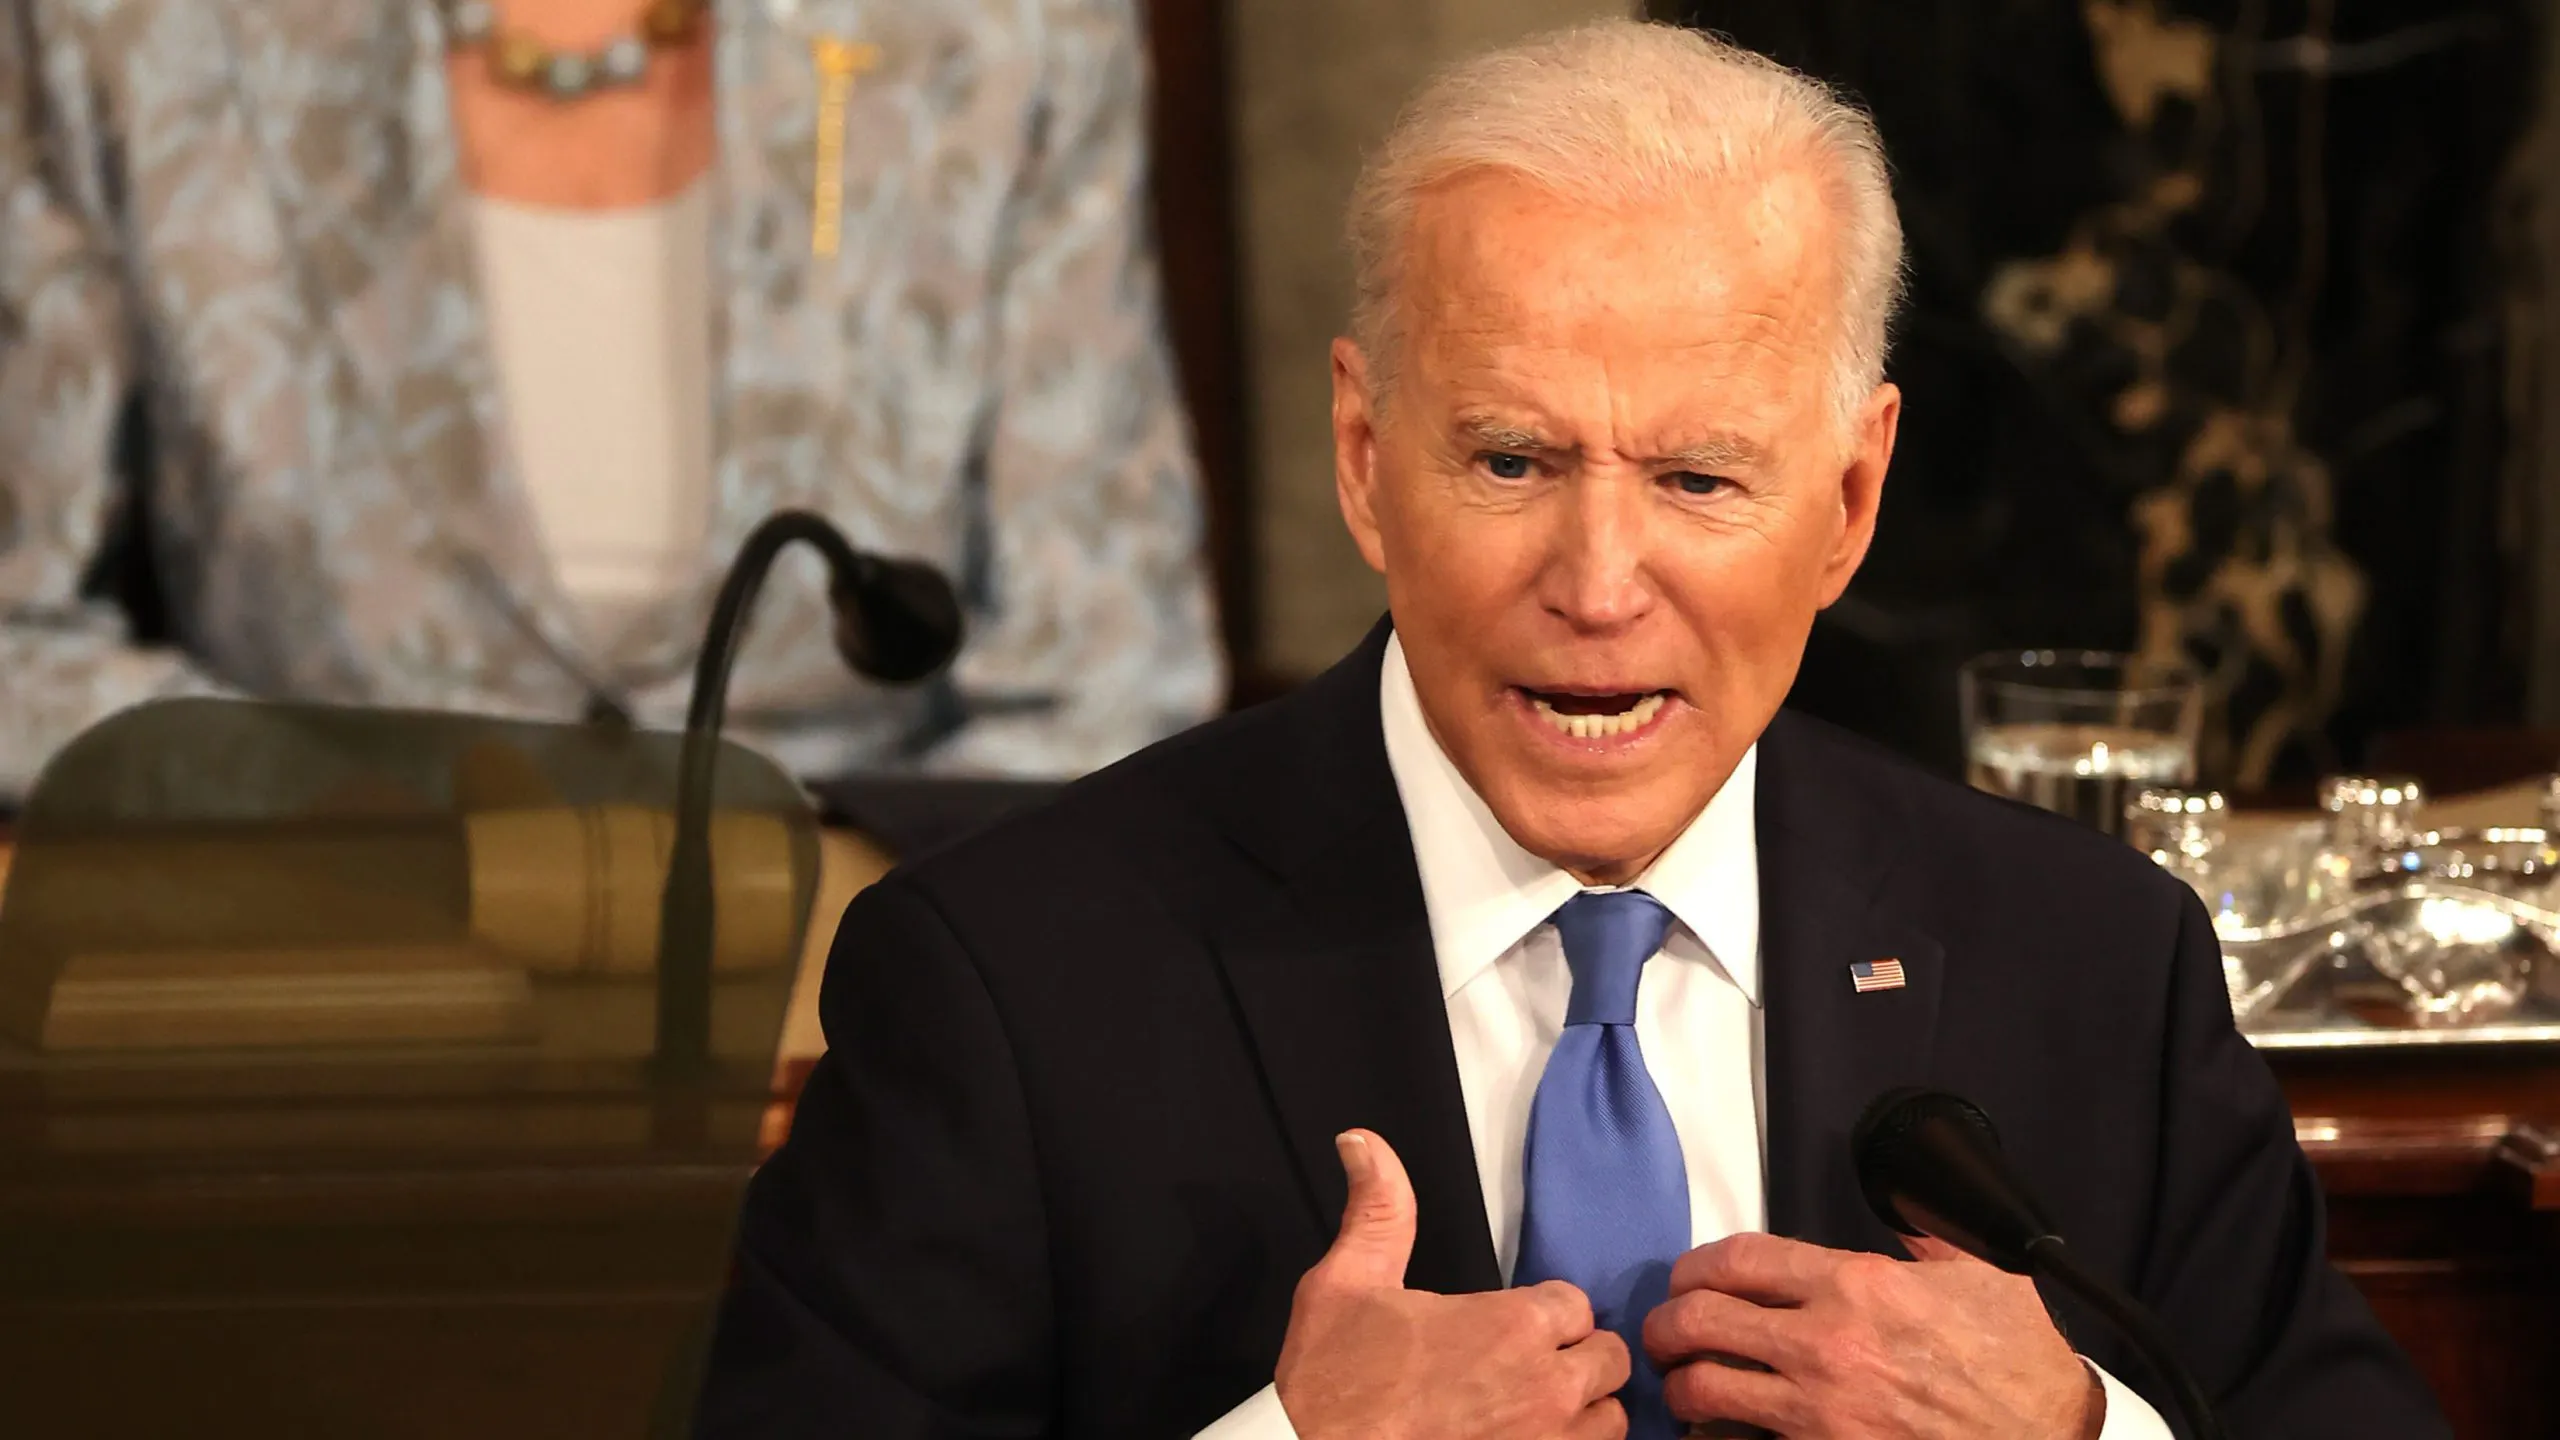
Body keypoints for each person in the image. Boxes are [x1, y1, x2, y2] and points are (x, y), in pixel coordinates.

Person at [695, 21, 2444, 1440]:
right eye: (1512, 461)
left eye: (1698, 478)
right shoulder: (1008, 984)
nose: (1600, 583)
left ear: (1849, 502)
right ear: (1367, 461)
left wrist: (2077, 1434)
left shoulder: (2091, 967)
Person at [0, 0, 1219, 799]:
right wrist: (351, 822)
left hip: (875, 995)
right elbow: (17, 648)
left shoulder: (1013, 33)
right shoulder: (118, 34)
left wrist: (877, 968)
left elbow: (1106, 684)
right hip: (328, 982)